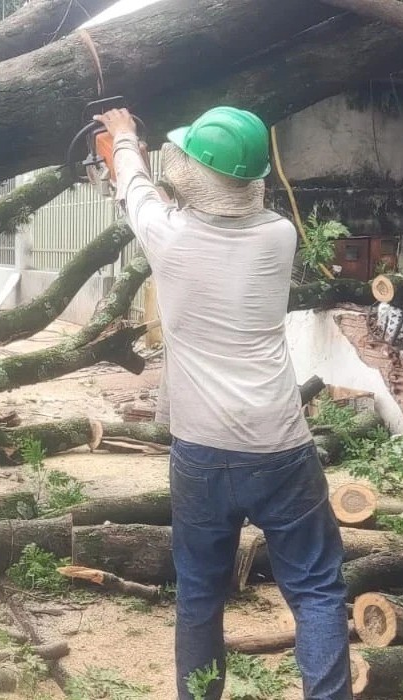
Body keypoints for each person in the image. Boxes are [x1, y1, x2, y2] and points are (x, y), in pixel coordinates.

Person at [94, 106, 351, 700]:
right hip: (280, 446)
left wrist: (126, 137)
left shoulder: (167, 234)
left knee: (200, 597)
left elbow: (133, 185)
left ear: (191, 172)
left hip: (201, 453)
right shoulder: (278, 235)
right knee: (315, 590)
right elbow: (165, 200)